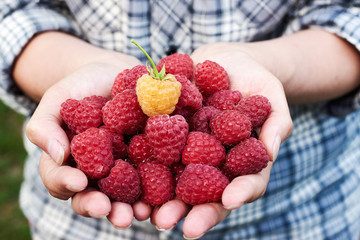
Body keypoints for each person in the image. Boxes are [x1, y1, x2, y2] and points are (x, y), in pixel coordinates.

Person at [1, 0, 360, 239]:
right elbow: (14, 15)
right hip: (78, 228)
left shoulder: (203, 113)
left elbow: (350, 17)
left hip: (302, 211)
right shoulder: (128, 123)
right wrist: (76, 68)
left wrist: (269, 65)